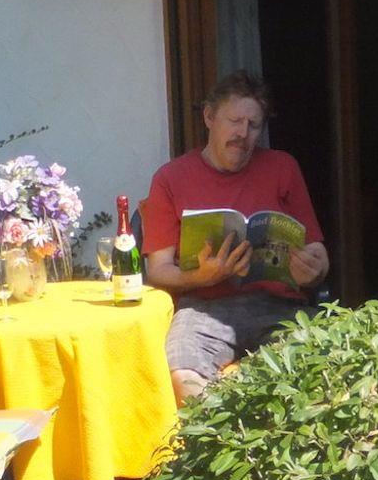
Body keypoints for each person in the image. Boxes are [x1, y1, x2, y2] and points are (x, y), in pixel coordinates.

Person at [140, 70, 330, 402]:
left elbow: (318, 253)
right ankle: (218, 432)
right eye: (235, 121)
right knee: (183, 378)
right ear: (209, 117)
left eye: (253, 125)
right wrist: (201, 276)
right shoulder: (170, 178)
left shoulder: (282, 167)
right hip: (203, 310)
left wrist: (313, 271)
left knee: (320, 362)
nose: (243, 133)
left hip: (278, 306)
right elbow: (157, 270)